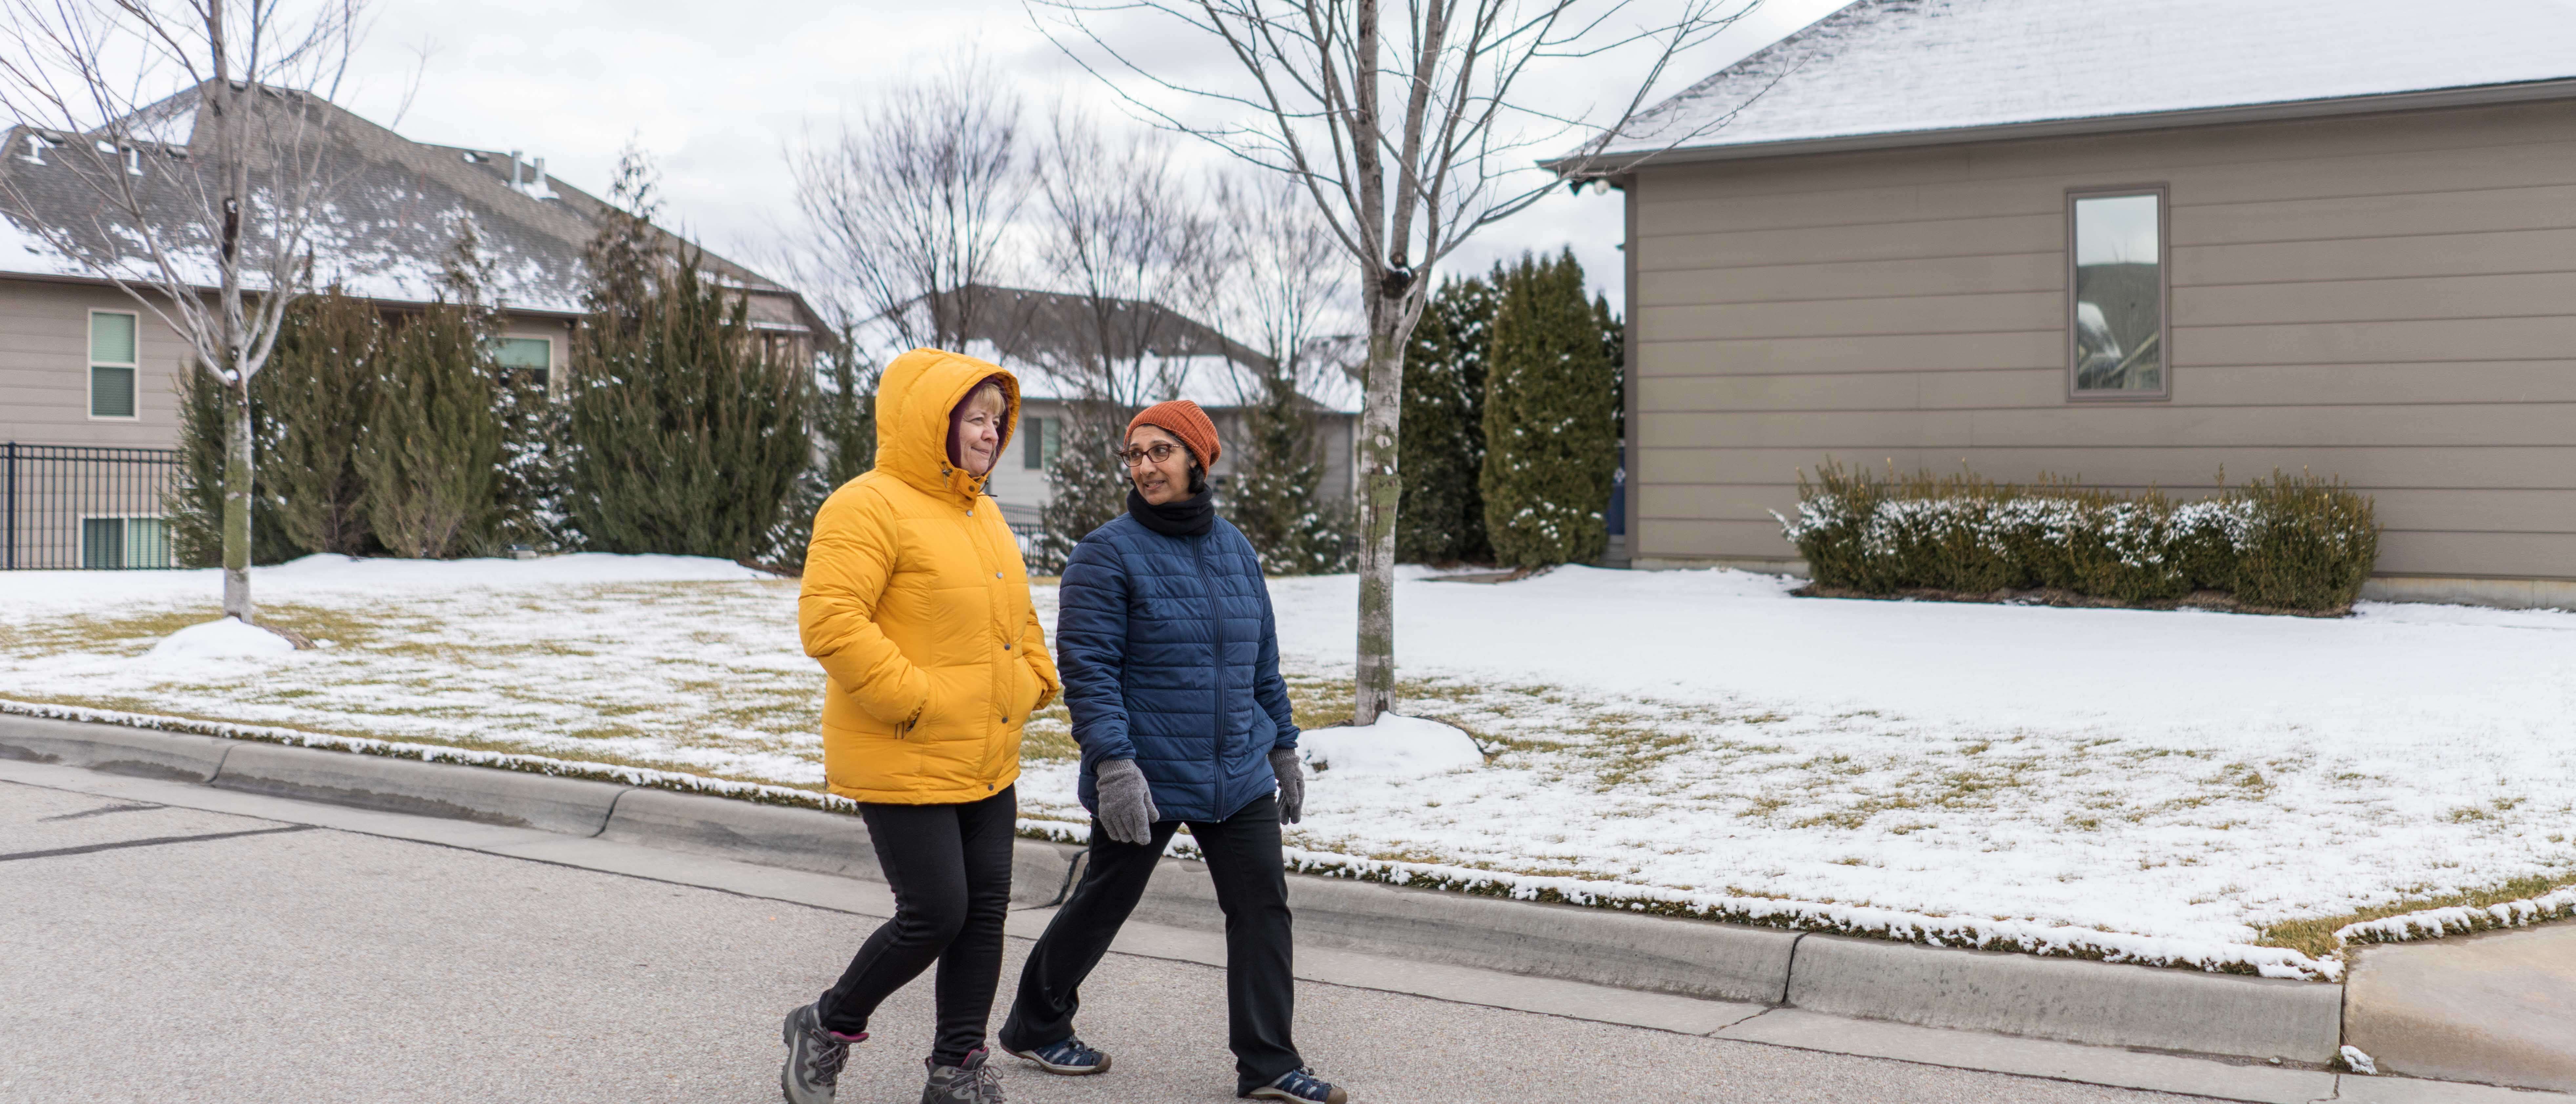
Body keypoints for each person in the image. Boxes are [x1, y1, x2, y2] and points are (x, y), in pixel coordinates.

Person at [996, 400, 1348, 1104]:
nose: (1146, 466)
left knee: (1262, 910)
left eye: (1160, 451)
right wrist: (1113, 764)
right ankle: (1037, 1022)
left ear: (1198, 458)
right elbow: (1089, 669)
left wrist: (1283, 746)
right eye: (1135, 455)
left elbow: (1262, 663)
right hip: (1147, 769)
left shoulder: (1236, 549)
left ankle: (1268, 1064)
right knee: (1106, 899)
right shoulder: (1107, 552)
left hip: (1237, 768)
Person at [782, 348, 1058, 1104]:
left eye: (997, 423)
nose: (990, 436)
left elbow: (1019, 621)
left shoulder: (983, 511)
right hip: (906, 747)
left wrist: (1034, 680)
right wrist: (918, 701)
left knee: (984, 914)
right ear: (930, 423)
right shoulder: (863, 506)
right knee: (936, 912)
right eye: (975, 420)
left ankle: (955, 1069)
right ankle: (827, 1024)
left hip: (987, 751)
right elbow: (831, 623)